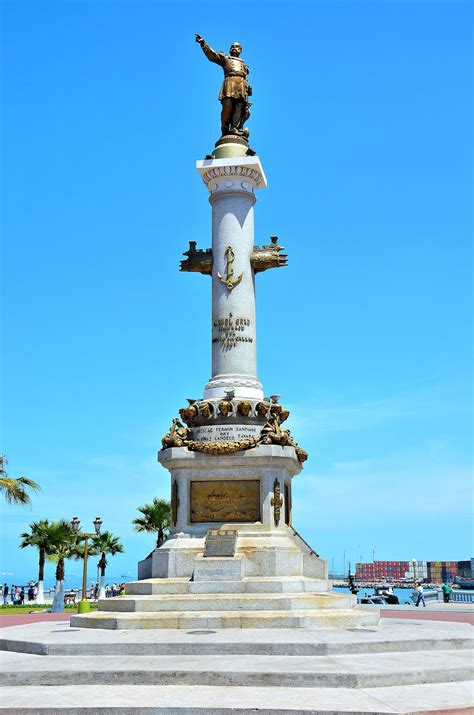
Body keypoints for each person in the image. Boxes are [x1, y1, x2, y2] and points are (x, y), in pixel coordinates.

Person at [195, 34, 252, 138]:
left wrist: (248, 91)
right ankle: (225, 128)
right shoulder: (226, 59)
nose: (234, 48)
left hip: (241, 85)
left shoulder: (244, 65)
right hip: (229, 82)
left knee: (239, 107)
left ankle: (235, 128)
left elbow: (246, 78)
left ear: (241, 50)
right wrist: (203, 44)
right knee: (228, 105)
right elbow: (212, 55)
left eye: (237, 46)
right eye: (232, 46)